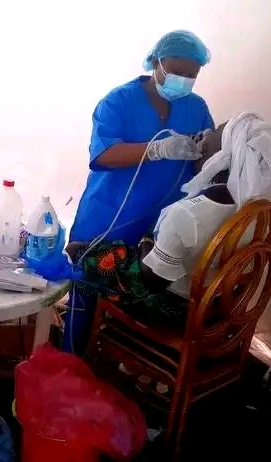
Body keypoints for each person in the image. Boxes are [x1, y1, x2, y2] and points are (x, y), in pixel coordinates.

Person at [64, 30, 215, 352]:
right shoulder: (118, 101)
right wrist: (158, 149)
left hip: (158, 229)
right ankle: (71, 363)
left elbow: (207, 164)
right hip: (110, 217)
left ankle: (113, 368)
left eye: (192, 75)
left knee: (136, 307)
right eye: (177, 71)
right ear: (157, 62)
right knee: (87, 296)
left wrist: (205, 150)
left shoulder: (196, 107)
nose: (184, 80)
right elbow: (103, 155)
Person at [67, 112, 271, 334]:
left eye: (216, 132)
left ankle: (100, 335)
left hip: (175, 309)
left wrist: (146, 241)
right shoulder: (258, 211)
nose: (205, 134)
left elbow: (152, 280)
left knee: (79, 254)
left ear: (223, 156)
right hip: (217, 308)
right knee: (118, 253)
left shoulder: (186, 214)